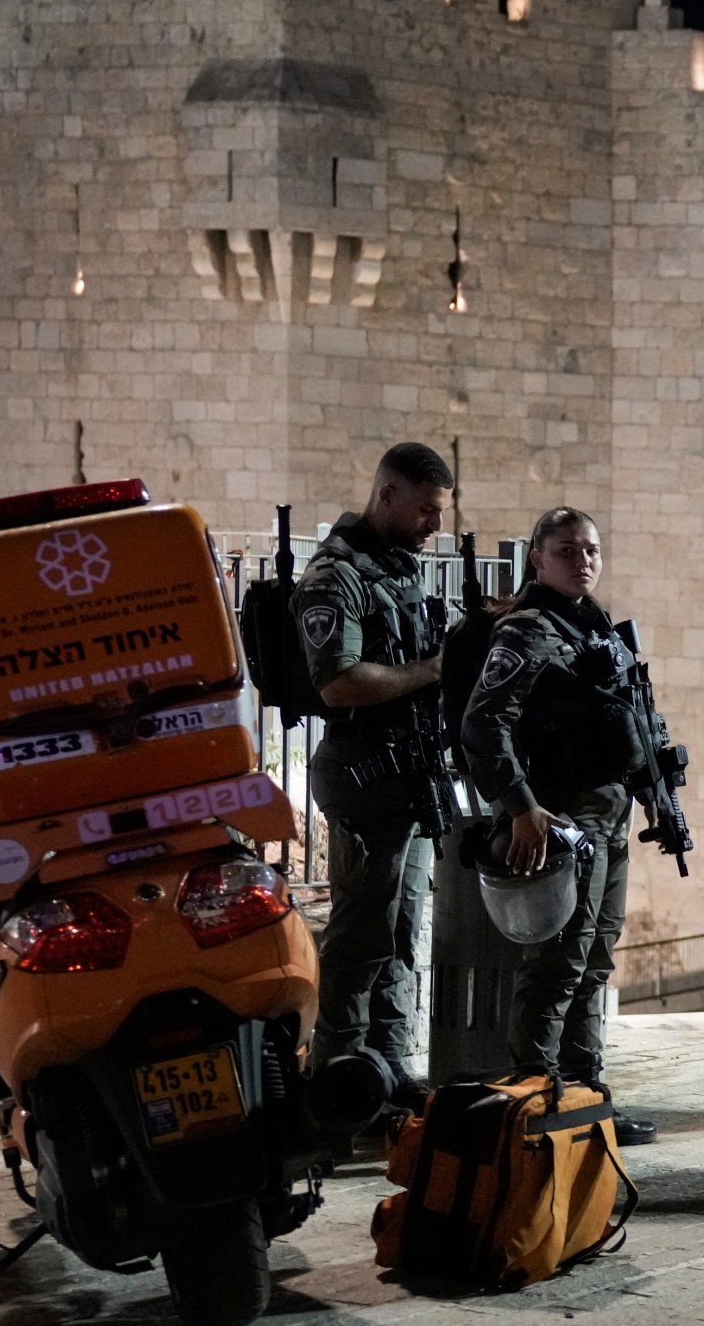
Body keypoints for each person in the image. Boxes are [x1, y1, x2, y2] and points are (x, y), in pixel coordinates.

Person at [459, 508, 660, 1146]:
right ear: (538, 559)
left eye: (592, 550)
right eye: (568, 550)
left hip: (610, 818)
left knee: (595, 959)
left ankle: (586, 1097)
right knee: (558, 964)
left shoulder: (594, 626)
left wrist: (654, 790)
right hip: (563, 822)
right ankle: (538, 1098)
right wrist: (519, 805)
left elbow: (631, 717)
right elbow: (482, 723)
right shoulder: (527, 631)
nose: (584, 561)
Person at [294, 441, 452, 1098]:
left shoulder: (398, 569)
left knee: (404, 933)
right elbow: (339, 684)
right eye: (424, 511)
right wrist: (432, 671)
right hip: (365, 778)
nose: (433, 527)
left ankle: (389, 1079)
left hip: (409, 777)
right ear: (387, 495)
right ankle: (334, 1088)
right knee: (362, 940)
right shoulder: (337, 577)